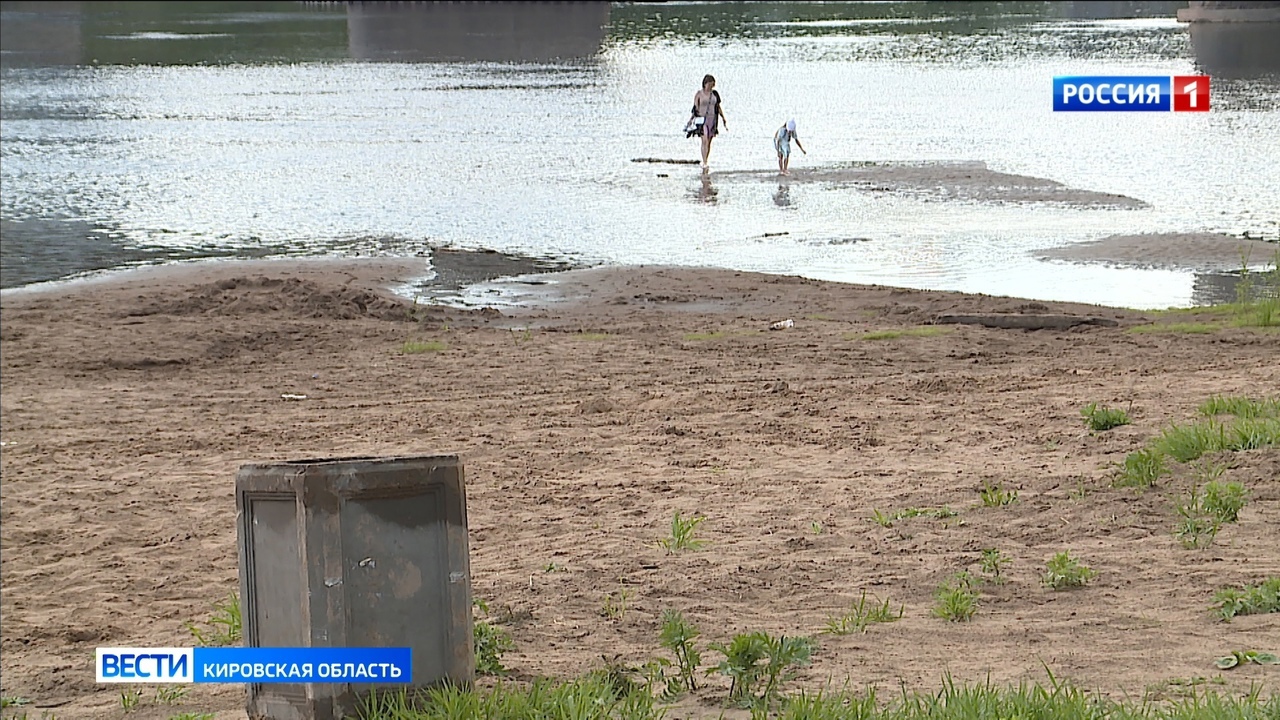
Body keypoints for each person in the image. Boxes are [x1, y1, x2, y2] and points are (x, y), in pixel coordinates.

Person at [693, 75, 726, 169]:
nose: (711, 86)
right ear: (705, 83)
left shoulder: (715, 94)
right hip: (702, 119)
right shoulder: (699, 94)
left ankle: (706, 160)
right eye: (710, 84)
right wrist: (692, 119)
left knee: (709, 141)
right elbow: (695, 107)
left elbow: (718, 107)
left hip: (713, 119)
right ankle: (704, 161)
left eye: (712, 84)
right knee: (704, 139)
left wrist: (723, 118)